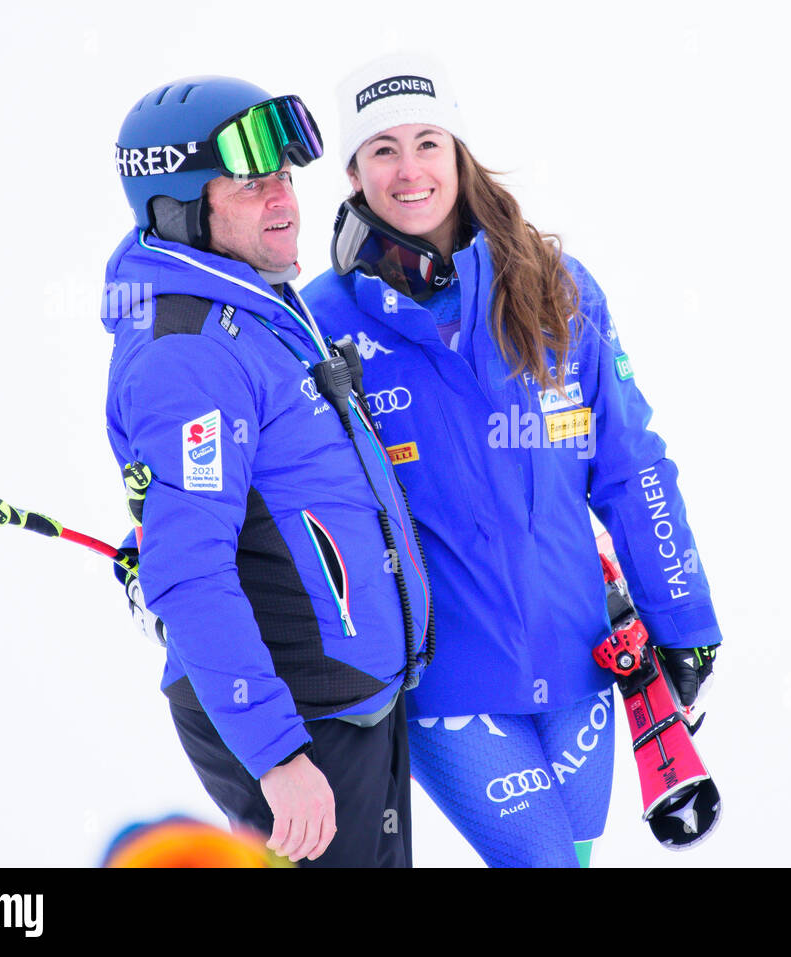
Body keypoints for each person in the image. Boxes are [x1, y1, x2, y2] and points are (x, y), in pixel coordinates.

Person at [300, 53, 723, 868]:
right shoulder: (320, 323)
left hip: (584, 663)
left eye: (429, 141)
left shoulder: (556, 289)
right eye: (382, 149)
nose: (410, 169)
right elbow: (293, 502)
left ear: (459, 152)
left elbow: (633, 470)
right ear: (353, 173)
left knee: (573, 858)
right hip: (444, 682)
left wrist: (685, 622)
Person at [102, 75, 432, 867]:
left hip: (346, 700)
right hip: (296, 724)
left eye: (284, 177)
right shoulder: (190, 355)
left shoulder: (254, 300)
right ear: (178, 207)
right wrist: (278, 756)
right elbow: (190, 571)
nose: (283, 198)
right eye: (251, 185)